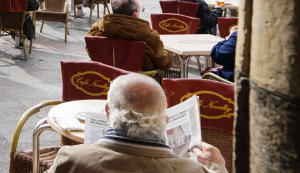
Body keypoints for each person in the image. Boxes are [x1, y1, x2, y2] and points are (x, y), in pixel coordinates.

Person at [47, 73, 227, 173]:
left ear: (108, 112)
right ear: (165, 121)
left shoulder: (72, 160)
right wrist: (217, 166)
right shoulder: (191, 170)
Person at [86, 0, 172, 72]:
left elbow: (91, 51)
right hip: (139, 81)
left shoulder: (97, 28)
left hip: (104, 77)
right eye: (139, 10)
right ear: (134, 14)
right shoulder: (149, 35)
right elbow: (164, 63)